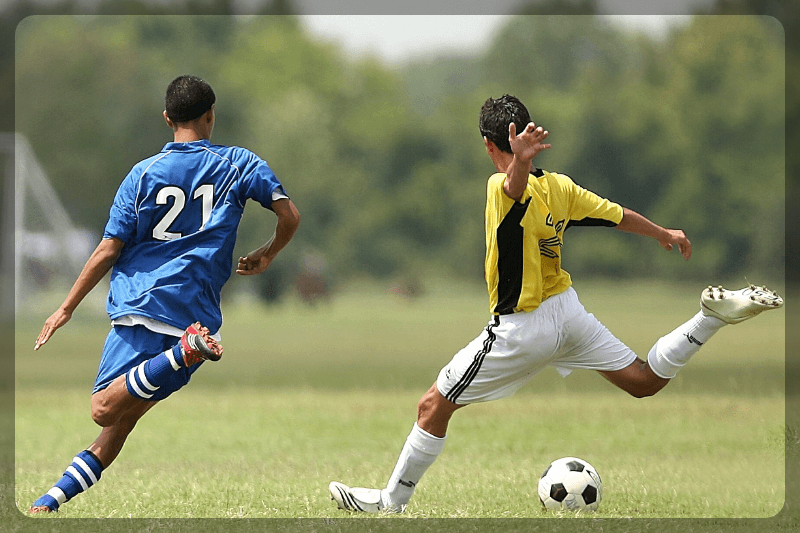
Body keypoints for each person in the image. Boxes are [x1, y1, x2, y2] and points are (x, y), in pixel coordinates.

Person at [328, 94, 783, 514]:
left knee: (433, 406)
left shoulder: (498, 186)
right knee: (643, 381)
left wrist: (518, 164)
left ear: (489, 145)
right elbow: (616, 214)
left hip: (522, 328)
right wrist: (663, 232)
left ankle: (392, 502)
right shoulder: (560, 187)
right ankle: (707, 319)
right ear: (525, 134)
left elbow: (512, 189)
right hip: (568, 312)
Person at [28, 75, 300, 513]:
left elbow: (108, 249)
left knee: (102, 408)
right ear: (211, 115)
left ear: (167, 119)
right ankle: (50, 502)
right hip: (196, 313)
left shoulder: (142, 174)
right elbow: (289, 216)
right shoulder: (239, 163)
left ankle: (180, 353)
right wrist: (267, 254)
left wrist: (65, 308)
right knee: (118, 426)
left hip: (142, 305)